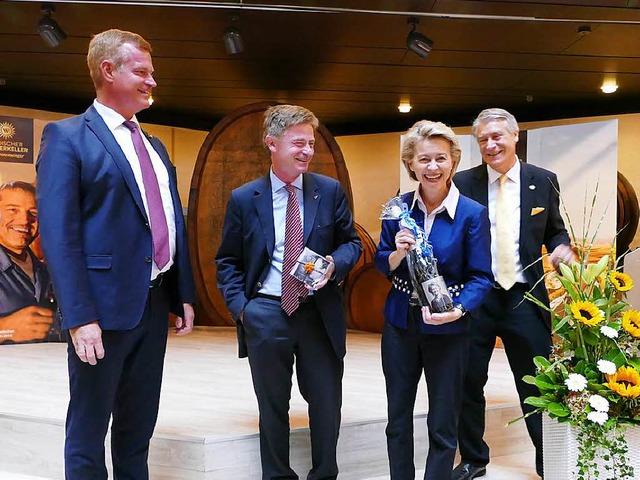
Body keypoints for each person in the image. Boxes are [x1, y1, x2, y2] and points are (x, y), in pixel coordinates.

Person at [36, 29, 196, 479]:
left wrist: (182, 291)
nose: (152, 82)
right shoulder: (66, 138)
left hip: (154, 302)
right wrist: (79, 315)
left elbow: (171, 220)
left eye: (152, 73)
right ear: (108, 71)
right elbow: (59, 235)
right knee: (88, 431)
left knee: (137, 428)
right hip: (101, 311)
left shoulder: (155, 145)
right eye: (142, 72)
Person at [216, 104, 362, 480]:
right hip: (266, 312)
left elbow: (351, 243)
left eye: (310, 144)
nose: (306, 151)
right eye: (298, 143)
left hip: (319, 313)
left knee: (327, 403)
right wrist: (243, 310)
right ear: (272, 143)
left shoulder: (328, 191)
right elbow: (227, 261)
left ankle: (324, 474)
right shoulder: (244, 199)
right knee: (272, 406)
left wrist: (335, 264)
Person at [453, 108, 575, 480]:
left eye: (497, 137)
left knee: (537, 382)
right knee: (467, 381)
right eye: (483, 139)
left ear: (514, 137)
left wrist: (561, 247)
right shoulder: (462, 182)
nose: (491, 145)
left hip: (524, 296)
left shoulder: (543, 179)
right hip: (476, 298)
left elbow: (555, 230)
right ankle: (474, 459)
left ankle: (548, 460)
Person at [374, 120, 493, 479]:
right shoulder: (396, 209)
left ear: (453, 162)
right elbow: (382, 261)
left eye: (440, 158)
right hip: (400, 323)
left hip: (450, 325)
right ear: (410, 163)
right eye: (423, 159)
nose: (432, 167)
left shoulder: (472, 213)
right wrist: (395, 254)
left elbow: (481, 277)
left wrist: (457, 311)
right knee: (397, 419)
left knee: (443, 422)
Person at [0, 181, 57, 343]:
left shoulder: (49, 272)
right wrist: (5, 329)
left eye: (33, 213)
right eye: (12, 210)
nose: (24, 220)